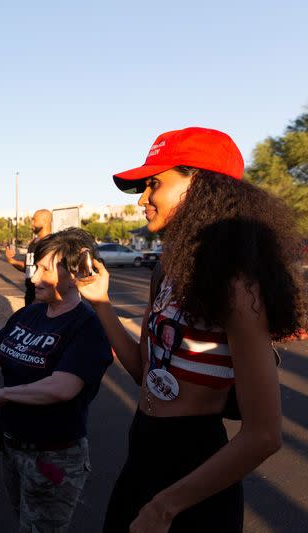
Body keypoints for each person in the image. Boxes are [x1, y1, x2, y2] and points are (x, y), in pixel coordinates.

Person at [76, 127, 304, 532]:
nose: (143, 199)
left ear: (202, 186)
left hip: (196, 481)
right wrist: (101, 304)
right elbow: (148, 377)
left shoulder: (237, 286)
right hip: (141, 456)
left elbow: (264, 435)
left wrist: (164, 508)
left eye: (154, 184)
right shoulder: (167, 269)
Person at [0, 228, 113, 532]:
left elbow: (62, 387)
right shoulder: (32, 314)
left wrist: (4, 394)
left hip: (53, 457)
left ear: (75, 273)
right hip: (13, 448)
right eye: (35, 267)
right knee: (25, 521)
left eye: (44, 269)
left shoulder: (86, 326)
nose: (33, 278)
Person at [5, 209, 53, 306]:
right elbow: (27, 268)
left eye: (34, 220)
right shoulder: (33, 242)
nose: (31, 223)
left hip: (42, 298)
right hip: (30, 295)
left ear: (44, 221)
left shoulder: (51, 243)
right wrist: (11, 260)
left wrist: (40, 298)